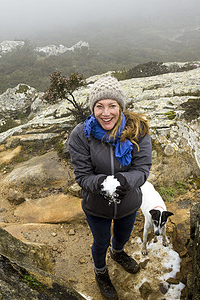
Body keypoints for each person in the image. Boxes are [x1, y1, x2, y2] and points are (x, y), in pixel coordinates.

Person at [67, 76, 152, 299]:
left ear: (120, 107)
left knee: (122, 236)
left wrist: (125, 181)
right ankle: (101, 271)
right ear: (92, 108)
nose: (106, 113)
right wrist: (101, 183)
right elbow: (83, 176)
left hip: (129, 203)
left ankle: (118, 253)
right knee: (101, 241)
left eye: (112, 106)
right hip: (96, 206)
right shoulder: (80, 135)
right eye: (99, 106)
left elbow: (142, 169)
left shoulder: (138, 131)